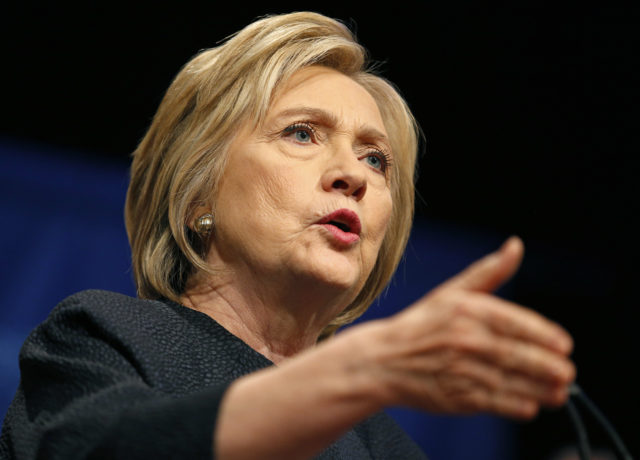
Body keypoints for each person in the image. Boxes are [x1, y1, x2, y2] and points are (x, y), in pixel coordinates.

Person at [0, 11, 575, 459]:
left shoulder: (380, 444)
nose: (353, 175)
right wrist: (361, 371)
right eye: (301, 134)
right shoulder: (107, 338)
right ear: (199, 192)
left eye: (376, 160)